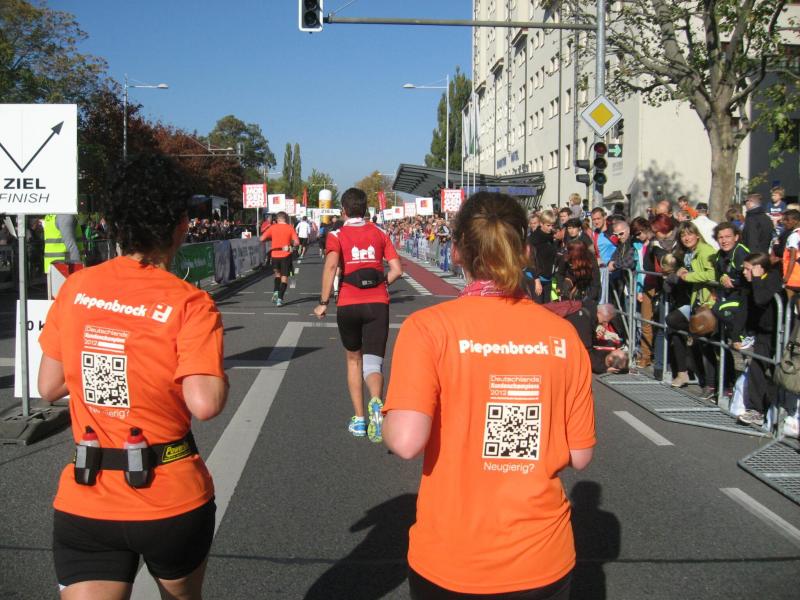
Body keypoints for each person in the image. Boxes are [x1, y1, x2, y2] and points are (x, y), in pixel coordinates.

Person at [382, 191, 594, 599]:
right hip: (542, 556)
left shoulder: (428, 328)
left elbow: (405, 442)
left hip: (452, 556)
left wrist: (385, 414)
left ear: (457, 252)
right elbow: (580, 455)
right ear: (525, 251)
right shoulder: (562, 335)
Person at [37, 154, 228, 600]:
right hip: (169, 496)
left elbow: (49, 386)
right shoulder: (190, 302)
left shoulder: (77, 288)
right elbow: (205, 403)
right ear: (181, 225)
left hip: (87, 497)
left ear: (116, 223)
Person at [314, 187, 402, 442]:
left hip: (348, 303)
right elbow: (397, 270)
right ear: (365, 209)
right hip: (377, 303)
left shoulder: (337, 234)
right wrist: (382, 283)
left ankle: (360, 419)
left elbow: (331, 266)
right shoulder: (380, 232)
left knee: (354, 360)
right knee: (374, 363)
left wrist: (323, 302)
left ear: (343, 210)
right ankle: (376, 403)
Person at [665, 221, 717, 392]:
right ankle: (683, 372)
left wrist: (689, 276)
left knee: (707, 343)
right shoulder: (688, 253)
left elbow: (712, 274)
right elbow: (682, 268)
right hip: (695, 301)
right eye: (683, 235)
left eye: (689, 234)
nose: (686, 238)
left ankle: (713, 384)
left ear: (697, 235)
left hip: (708, 302)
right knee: (673, 322)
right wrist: (679, 271)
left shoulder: (705, 250)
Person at [738, 253, 784, 426]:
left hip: (779, 333)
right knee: (757, 367)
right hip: (762, 333)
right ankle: (755, 410)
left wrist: (756, 278)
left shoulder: (773, 278)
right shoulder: (750, 282)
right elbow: (744, 307)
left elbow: (761, 299)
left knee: (779, 372)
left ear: (759, 268)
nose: (744, 272)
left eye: (747, 269)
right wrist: (738, 334)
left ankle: (779, 411)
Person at [260, 211, 299, 307]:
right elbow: (297, 242)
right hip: (285, 255)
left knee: (277, 275)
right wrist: (291, 245)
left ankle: (276, 292)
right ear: (286, 219)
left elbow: (261, 239)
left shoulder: (272, 227)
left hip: (274, 255)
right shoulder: (290, 228)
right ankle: (280, 299)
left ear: (277, 219)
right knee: (284, 277)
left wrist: (271, 238)